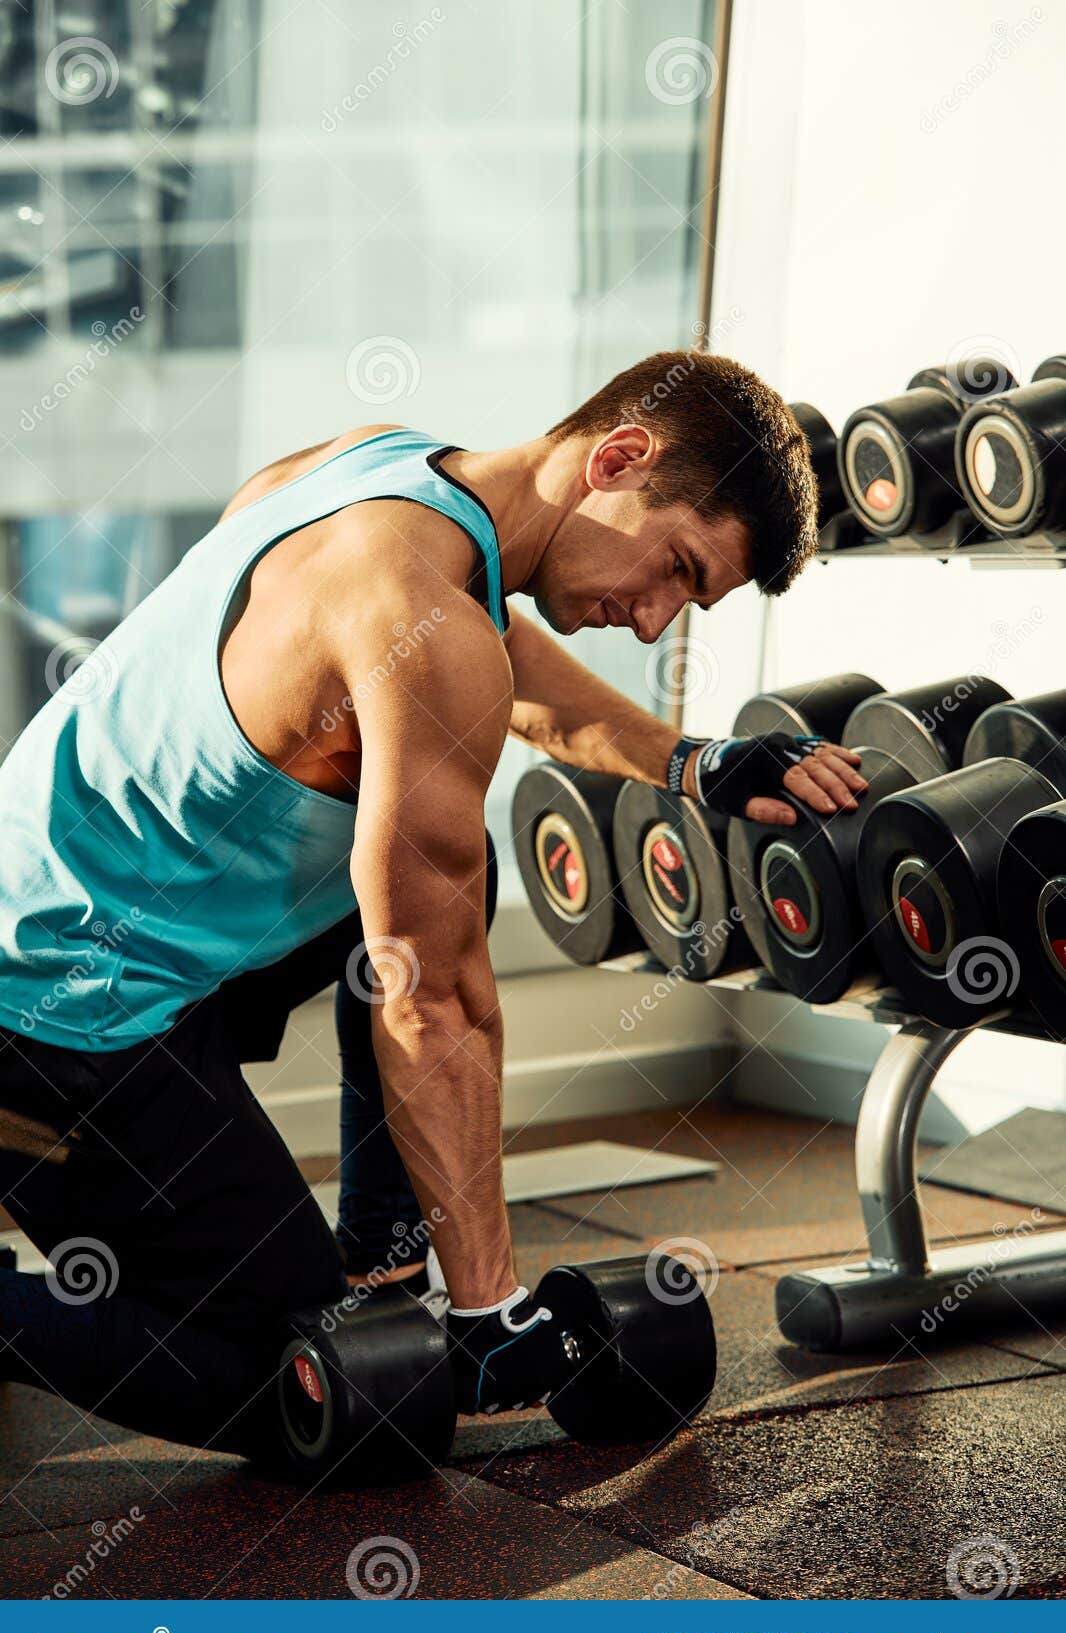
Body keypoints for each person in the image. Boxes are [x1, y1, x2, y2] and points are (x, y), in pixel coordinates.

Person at [0, 350, 865, 1456]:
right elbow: (434, 1001)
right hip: (49, 1030)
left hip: (81, 924)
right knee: (335, 1410)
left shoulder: (373, 475)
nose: (653, 623)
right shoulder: (427, 626)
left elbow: (487, 658)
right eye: (676, 571)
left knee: (445, 862)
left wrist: (691, 762)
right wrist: (487, 1310)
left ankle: (383, 1259)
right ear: (618, 457)